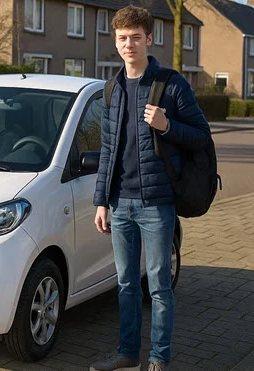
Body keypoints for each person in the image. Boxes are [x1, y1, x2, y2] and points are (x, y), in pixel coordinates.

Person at [89, 6, 211, 371]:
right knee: (125, 285)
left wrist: (166, 125)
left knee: (157, 287)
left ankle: (159, 357)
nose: (129, 45)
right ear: (115, 41)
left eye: (136, 38)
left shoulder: (171, 84)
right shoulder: (111, 89)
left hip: (157, 203)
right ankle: (128, 353)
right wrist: (100, 202)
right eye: (123, 38)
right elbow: (108, 150)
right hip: (119, 203)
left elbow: (202, 137)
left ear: (149, 39)